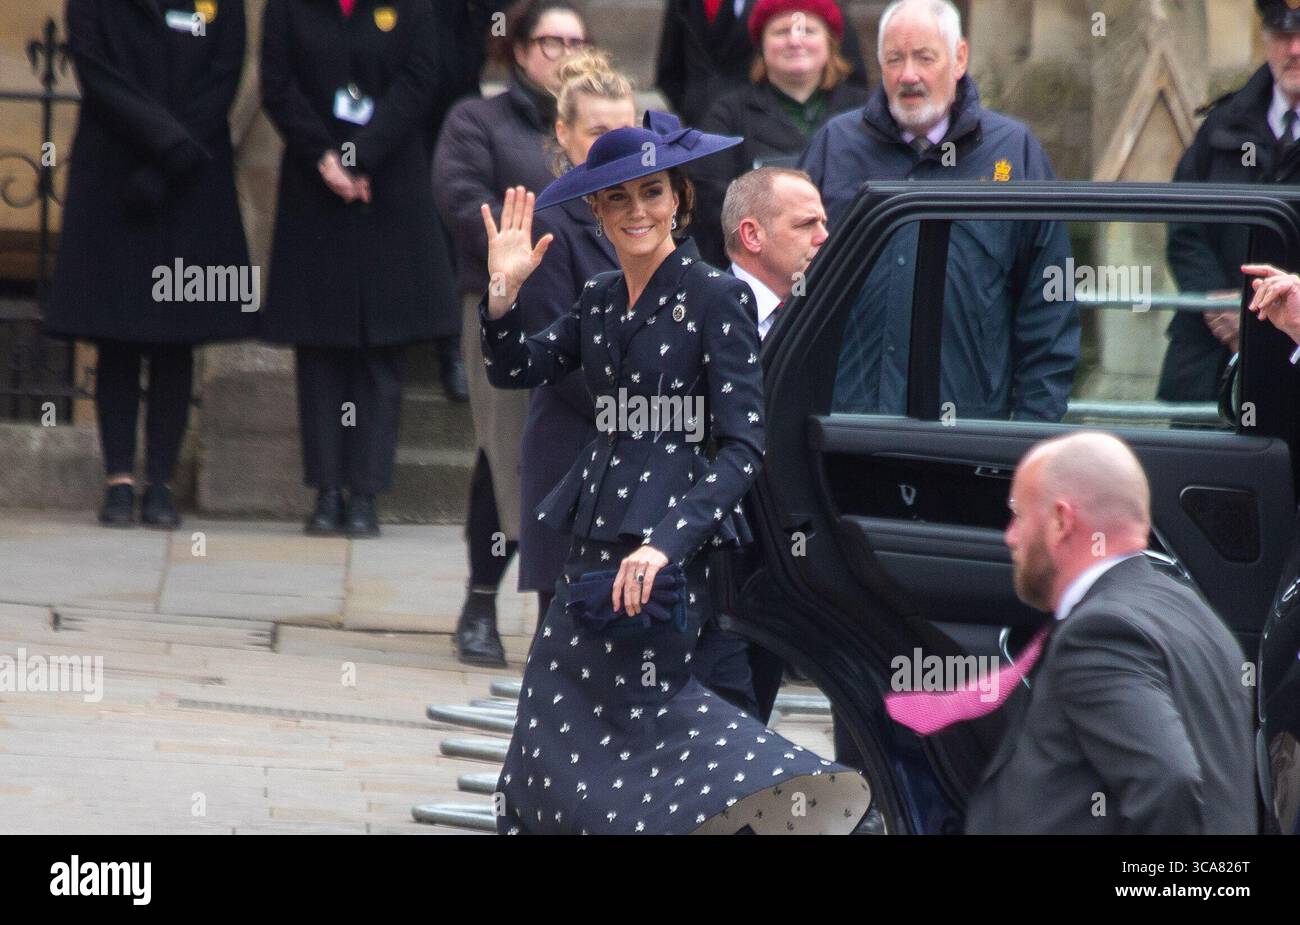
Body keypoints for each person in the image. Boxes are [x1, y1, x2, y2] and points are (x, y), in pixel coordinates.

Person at [478, 112, 871, 834]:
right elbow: (514, 367)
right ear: (596, 211)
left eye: (653, 193)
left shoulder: (716, 297)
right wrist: (503, 294)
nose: (638, 211)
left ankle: (805, 805)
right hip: (592, 546)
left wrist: (665, 542)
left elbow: (743, 446)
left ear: (680, 200)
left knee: (663, 727)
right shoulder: (597, 300)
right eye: (619, 198)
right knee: (549, 735)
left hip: (674, 557)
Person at [958, 432, 1255, 834]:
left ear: (1062, 521)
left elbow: (1169, 781)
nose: (1010, 535)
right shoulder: (1195, 614)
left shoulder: (1099, 633)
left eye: (1019, 515)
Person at [799, 0, 1078, 421]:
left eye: (924, 58)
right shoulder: (835, 146)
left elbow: (1049, 305)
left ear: (960, 57)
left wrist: (1030, 432)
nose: (908, 75)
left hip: (967, 433)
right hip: (849, 428)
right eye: (895, 59)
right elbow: (788, 283)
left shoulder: (1014, 152)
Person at [45, 0, 256, 528]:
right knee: (116, 335)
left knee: (175, 336)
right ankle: (118, 480)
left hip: (192, 175)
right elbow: (97, 72)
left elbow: (224, 74)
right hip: (114, 173)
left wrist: (173, 159)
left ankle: (159, 482)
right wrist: (161, 143)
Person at [434, 0, 591, 666]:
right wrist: (523, 248)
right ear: (519, 49)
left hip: (590, 308)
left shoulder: (600, 124)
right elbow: (456, 191)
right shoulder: (480, 119)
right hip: (510, 306)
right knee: (506, 455)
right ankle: (483, 604)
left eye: (576, 41)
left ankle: (559, 614)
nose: (563, 52)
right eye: (550, 41)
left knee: (563, 454)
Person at [260, 0, 451, 538]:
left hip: (390, 183)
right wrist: (326, 157)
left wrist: (362, 156)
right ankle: (325, 492)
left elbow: (419, 80)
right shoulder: (287, 9)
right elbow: (277, 85)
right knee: (319, 348)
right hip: (312, 186)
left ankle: (365, 492)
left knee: (381, 350)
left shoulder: (412, 9)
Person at [515, 51, 635, 630]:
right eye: (599, 133)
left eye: (627, 131)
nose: (616, 146)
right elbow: (557, 356)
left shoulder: (654, 214)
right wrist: (641, 413)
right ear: (564, 135)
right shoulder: (550, 221)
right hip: (576, 451)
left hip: (643, 455)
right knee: (566, 647)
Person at [1160, 0, 1300, 401]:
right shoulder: (1224, 124)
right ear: (1265, 39)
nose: (1294, 50)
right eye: (1283, 36)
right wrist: (1214, 298)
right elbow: (1183, 223)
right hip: (1209, 358)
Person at [689, 0, 867, 266]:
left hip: (851, 263)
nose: (795, 41)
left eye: (807, 30)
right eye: (782, 31)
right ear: (761, 44)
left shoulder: (865, 112)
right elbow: (714, 200)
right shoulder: (727, 115)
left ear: (830, 41)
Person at [654, 0, 868, 129]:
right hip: (703, 126)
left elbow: (849, 68)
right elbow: (670, 68)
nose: (794, 40)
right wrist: (693, 106)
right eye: (782, 32)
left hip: (772, 121)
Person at [721, 166, 829, 340]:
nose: (824, 237)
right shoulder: (707, 316)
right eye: (806, 224)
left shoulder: (831, 309)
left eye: (823, 224)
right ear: (753, 236)